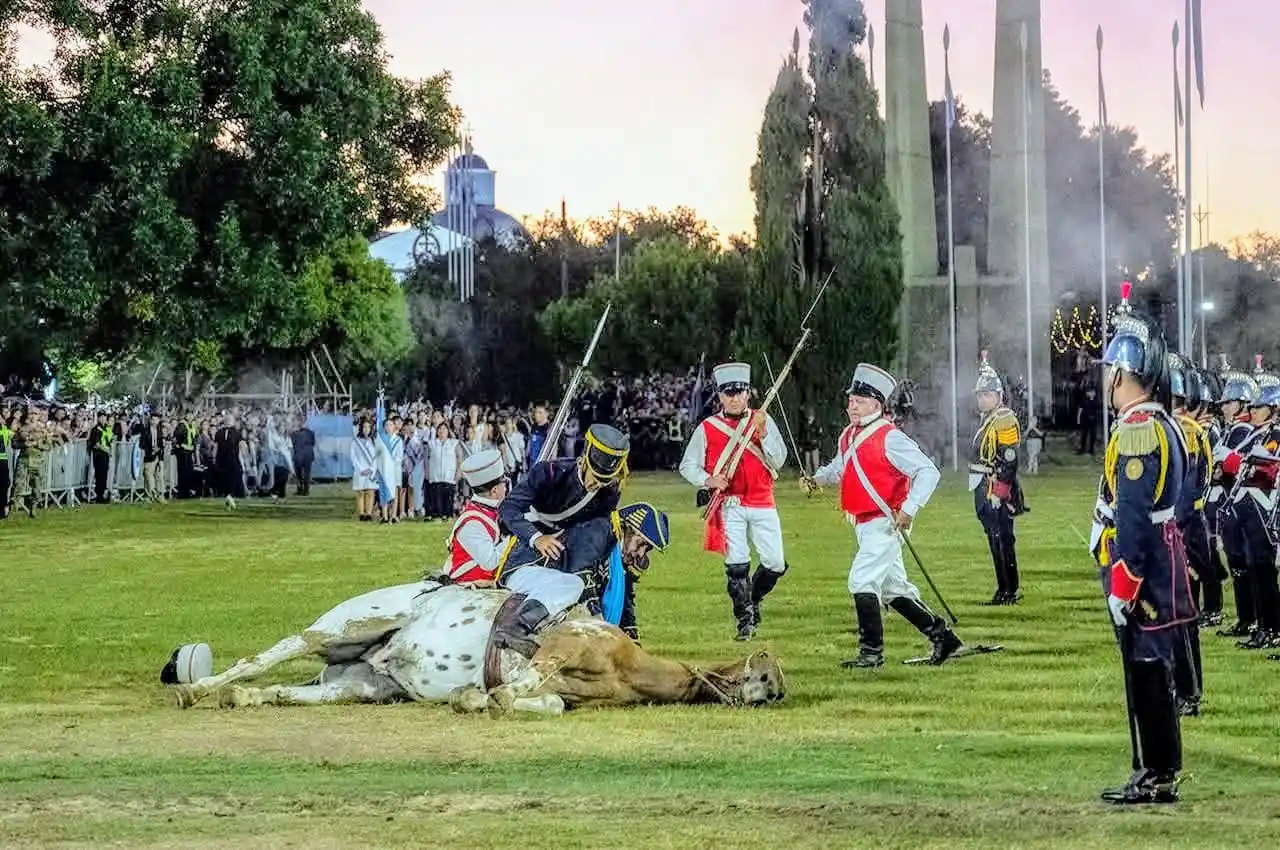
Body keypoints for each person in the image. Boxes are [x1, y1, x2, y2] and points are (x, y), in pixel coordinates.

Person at [1091, 282, 1195, 804]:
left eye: (1110, 369)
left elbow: (1132, 518)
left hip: (1145, 567)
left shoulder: (1137, 429)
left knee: (1148, 668)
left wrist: (1123, 582)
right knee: (1153, 667)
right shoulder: (1163, 424)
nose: (1105, 378)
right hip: (1163, 558)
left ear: (1124, 373)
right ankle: (1160, 769)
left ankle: (1157, 774)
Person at [801, 363, 964, 668]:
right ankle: (944, 638)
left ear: (876, 405)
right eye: (851, 400)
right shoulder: (848, 435)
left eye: (859, 401)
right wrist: (817, 479)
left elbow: (928, 471)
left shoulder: (890, 437)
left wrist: (910, 508)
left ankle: (871, 653)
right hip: (863, 522)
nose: (852, 405)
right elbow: (840, 468)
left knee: (861, 579)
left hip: (886, 522)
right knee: (892, 588)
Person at [679, 362, 788, 641]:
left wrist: (764, 434)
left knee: (775, 562)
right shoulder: (708, 427)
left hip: (763, 500)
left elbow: (778, 460)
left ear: (748, 393)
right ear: (720, 396)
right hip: (730, 505)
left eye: (740, 392)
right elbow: (688, 466)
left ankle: (753, 598)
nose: (735, 398)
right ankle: (745, 621)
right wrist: (709, 480)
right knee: (737, 563)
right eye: (729, 393)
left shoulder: (761, 420)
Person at [1220, 358, 1280, 651]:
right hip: (1253, 511)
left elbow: (1266, 469)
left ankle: (1273, 628)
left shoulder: (1275, 435)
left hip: (1264, 510)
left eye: (1259, 407)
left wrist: (1235, 461)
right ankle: (1265, 627)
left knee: (1265, 571)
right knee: (1257, 570)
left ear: (1274, 409)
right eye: (1252, 406)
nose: (1252, 411)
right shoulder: (1263, 433)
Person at [1168, 354, 1210, 716]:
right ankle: (1178, 685)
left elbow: (1186, 496)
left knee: (1183, 618)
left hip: (1182, 534)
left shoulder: (1185, 431)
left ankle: (1189, 691)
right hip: (1175, 534)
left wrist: (1174, 539)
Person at [968, 351, 1026, 605]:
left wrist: (999, 492)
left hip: (995, 487)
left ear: (999, 396)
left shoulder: (1003, 419)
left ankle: (1008, 590)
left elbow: (1010, 459)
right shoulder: (989, 419)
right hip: (983, 485)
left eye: (987, 394)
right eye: (980, 395)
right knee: (996, 539)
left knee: (1001, 539)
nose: (982, 399)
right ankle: (1005, 589)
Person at [1211, 362, 1263, 639]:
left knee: (1247, 564)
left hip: (1244, 504)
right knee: (1238, 565)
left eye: (1229, 403)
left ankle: (1253, 618)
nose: (1224, 408)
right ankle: (1246, 618)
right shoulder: (1234, 430)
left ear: (1242, 403)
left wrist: (1223, 465)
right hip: (1232, 504)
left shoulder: (1243, 431)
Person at [438, 449, 514, 584]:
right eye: (504, 483)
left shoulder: (492, 509)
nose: (506, 488)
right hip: (467, 587)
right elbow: (490, 562)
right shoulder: (472, 523)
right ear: (494, 491)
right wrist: (514, 536)